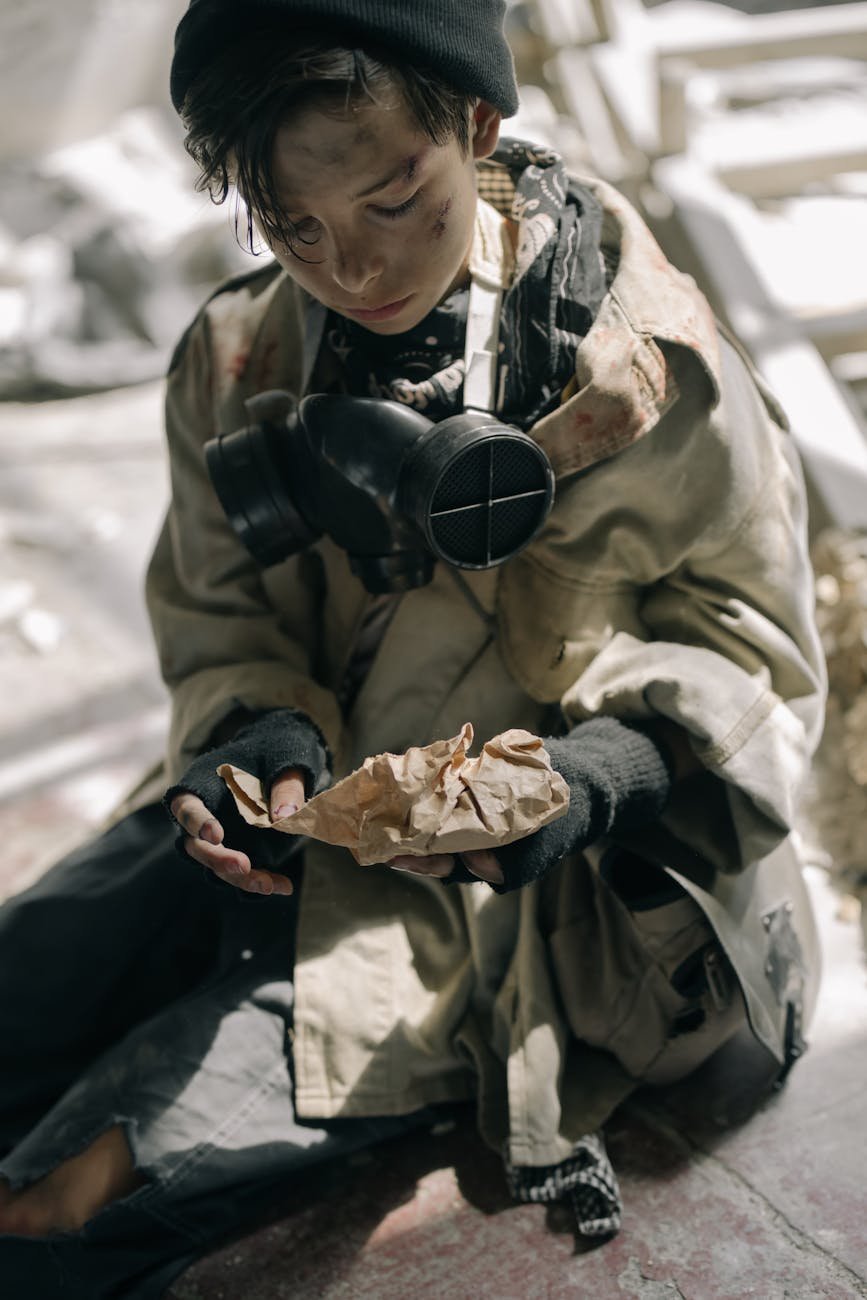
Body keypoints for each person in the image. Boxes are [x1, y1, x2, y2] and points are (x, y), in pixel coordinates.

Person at [0, 0, 827, 1294]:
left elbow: (757, 649)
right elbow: (223, 622)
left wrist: (597, 774)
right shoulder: (236, 357)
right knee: (30, 985)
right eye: (297, 229)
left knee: (61, 1208)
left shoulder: (644, 368)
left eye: (396, 200)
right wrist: (253, 744)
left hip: (546, 898)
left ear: (479, 126)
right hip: (316, 820)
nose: (357, 268)